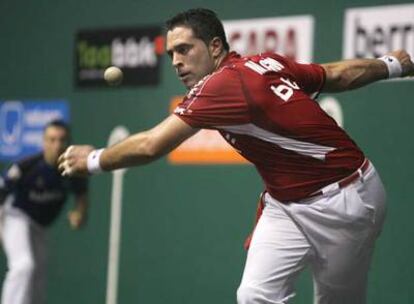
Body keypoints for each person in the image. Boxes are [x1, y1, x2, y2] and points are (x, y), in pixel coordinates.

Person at [58, 8, 414, 304]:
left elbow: (152, 144)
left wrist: (93, 160)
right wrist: (390, 65)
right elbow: (335, 75)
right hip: (286, 204)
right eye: (171, 55)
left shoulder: (222, 85)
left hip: (347, 200)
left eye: (185, 49)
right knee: (254, 297)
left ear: (215, 47)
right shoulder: (264, 63)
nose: (177, 62)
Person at [0, 120, 89, 304]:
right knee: (24, 266)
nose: (57, 145)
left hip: (40, 225)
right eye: (52, 139)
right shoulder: (27, 166)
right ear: (43, 142)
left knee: (37, 274)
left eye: (61, 140)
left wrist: (79, 213)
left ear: (68, 142)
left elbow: (81, 195)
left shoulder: (71, 169)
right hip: (14, 217)